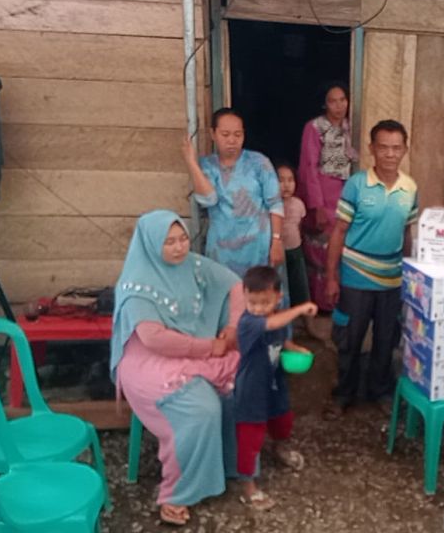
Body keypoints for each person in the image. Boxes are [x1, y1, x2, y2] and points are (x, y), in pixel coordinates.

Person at [110, 210, 244, 526]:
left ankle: (227, 466)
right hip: (147, 361)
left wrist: (232, 327)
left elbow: (235, 285)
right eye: (169, 242)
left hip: (195, 349)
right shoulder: (136, 285)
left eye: (183, 238)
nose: (179, 247)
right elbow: (153, 339)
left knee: (241, 383)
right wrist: (209, 347)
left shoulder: (193, 265)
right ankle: (176, 492)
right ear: (151, 244)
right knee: (201, 409)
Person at [324, 119, 419, 418]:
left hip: (392, 279)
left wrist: (409, 275)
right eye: (383, 147)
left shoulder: (410, 188)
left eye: (396, 148)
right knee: (349, 340)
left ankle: (380, 391)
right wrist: (332, 277)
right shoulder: (356, 184)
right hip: (355, 277)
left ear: (404, 150)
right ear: (371, 149)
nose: (390, 154)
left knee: (386, 339)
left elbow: (406, 233)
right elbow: (339, 232)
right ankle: (343, 394)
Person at [234, 266, 317, 510]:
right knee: (250, 436)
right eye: (253, 302)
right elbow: (271, 324)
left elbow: (281, 337)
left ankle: (279, 447)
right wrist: (300, 309)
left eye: (265, 302)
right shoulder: (248, 322)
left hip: (274, 383)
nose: (258, 308)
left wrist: (294, 348)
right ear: (244, 295)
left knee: (282, 419)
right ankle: (247, 486)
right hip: (251, 390)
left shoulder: (277, 317)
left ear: (278, 297)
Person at [183, 108, 284, 277]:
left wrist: (276, 241)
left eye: (238, 135)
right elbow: (208, 199)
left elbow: (275, 204)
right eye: (225, 134)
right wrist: (191, 163)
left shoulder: (259, 163)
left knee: (260, 291)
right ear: (213, 134)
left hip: (258, 248)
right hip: (222, 250)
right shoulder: (207, 165)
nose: (232, 140)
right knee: (223, 290)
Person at [298, 82, 358, 311]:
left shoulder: (351, 126)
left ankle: (341, 301)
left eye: (343, 100)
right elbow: (309, 167)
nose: (339, 106)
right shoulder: (315, 127)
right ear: (325, 104)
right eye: (333, 101)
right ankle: (321, 304)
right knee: (321, 250)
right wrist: (317, 205)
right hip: (323, 192)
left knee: (343, 247)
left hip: (346, 193)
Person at [277, 164, 310, 307]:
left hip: (295, 249)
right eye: (281, 180)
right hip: (277, 251)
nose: (286, 185)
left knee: (299, 283)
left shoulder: (298, 204)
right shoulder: (271, 205)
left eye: (290, 180)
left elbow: (299, 226)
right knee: (279, 284)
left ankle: (305, 316)